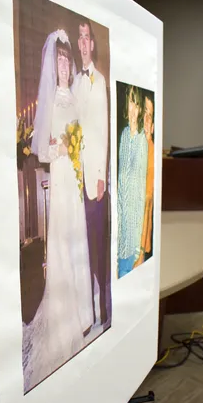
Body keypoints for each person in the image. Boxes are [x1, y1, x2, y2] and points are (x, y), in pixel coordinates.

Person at [25, 29, 94, 391]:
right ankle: (65, 317)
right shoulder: (51, 99)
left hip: (77, 179)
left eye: (68, 60)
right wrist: (63, 150)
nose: (65, 66)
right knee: (64, 240)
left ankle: (84, 312)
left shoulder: (76, 96)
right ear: (54, 65)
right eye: (61, 60)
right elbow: (42, 150)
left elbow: (82, 135)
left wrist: (78, 150)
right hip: (63, 178)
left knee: (78, 238)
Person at [71, 18, 110, 327]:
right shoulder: (74, 82)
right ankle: (85, 311)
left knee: (97, 245)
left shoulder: (99, 81)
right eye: (79, 37)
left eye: (87, 37)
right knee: (80, 245)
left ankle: (103, 308)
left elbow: (103, 132)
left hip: (94, 179)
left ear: (93, 44)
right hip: (75, 178)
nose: (83, 43)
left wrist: (100, 176)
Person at [117, 85, 148, 278]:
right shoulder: (123, 136)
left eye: (137, 105)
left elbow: (139, 191)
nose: (133, 109)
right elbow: (121, 183)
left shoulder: (141, 141)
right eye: (131, 102)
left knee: (126, 272)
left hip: (132, 225)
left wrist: (137, 240)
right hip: (121, 222)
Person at [135, 91, 155, 268]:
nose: (146, 119)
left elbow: (147, 197)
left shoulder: (152, 152)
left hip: (141, 239)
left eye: (150, 115)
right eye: (144, 114)